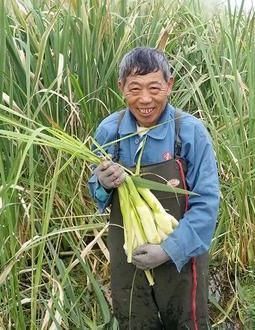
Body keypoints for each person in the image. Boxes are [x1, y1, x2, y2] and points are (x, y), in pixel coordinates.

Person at [88, 46, 220, 329]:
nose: (145, 99)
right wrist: (102, 183)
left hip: (181, 258)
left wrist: (168, 250)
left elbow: (207, 203)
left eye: (154, 88)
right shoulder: (109, 133)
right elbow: (95, 192)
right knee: (136, 320)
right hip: (129, 257)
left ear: (169, 85)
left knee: (185, 321)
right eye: (134, 89)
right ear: (121, 87)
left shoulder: (190, 133)